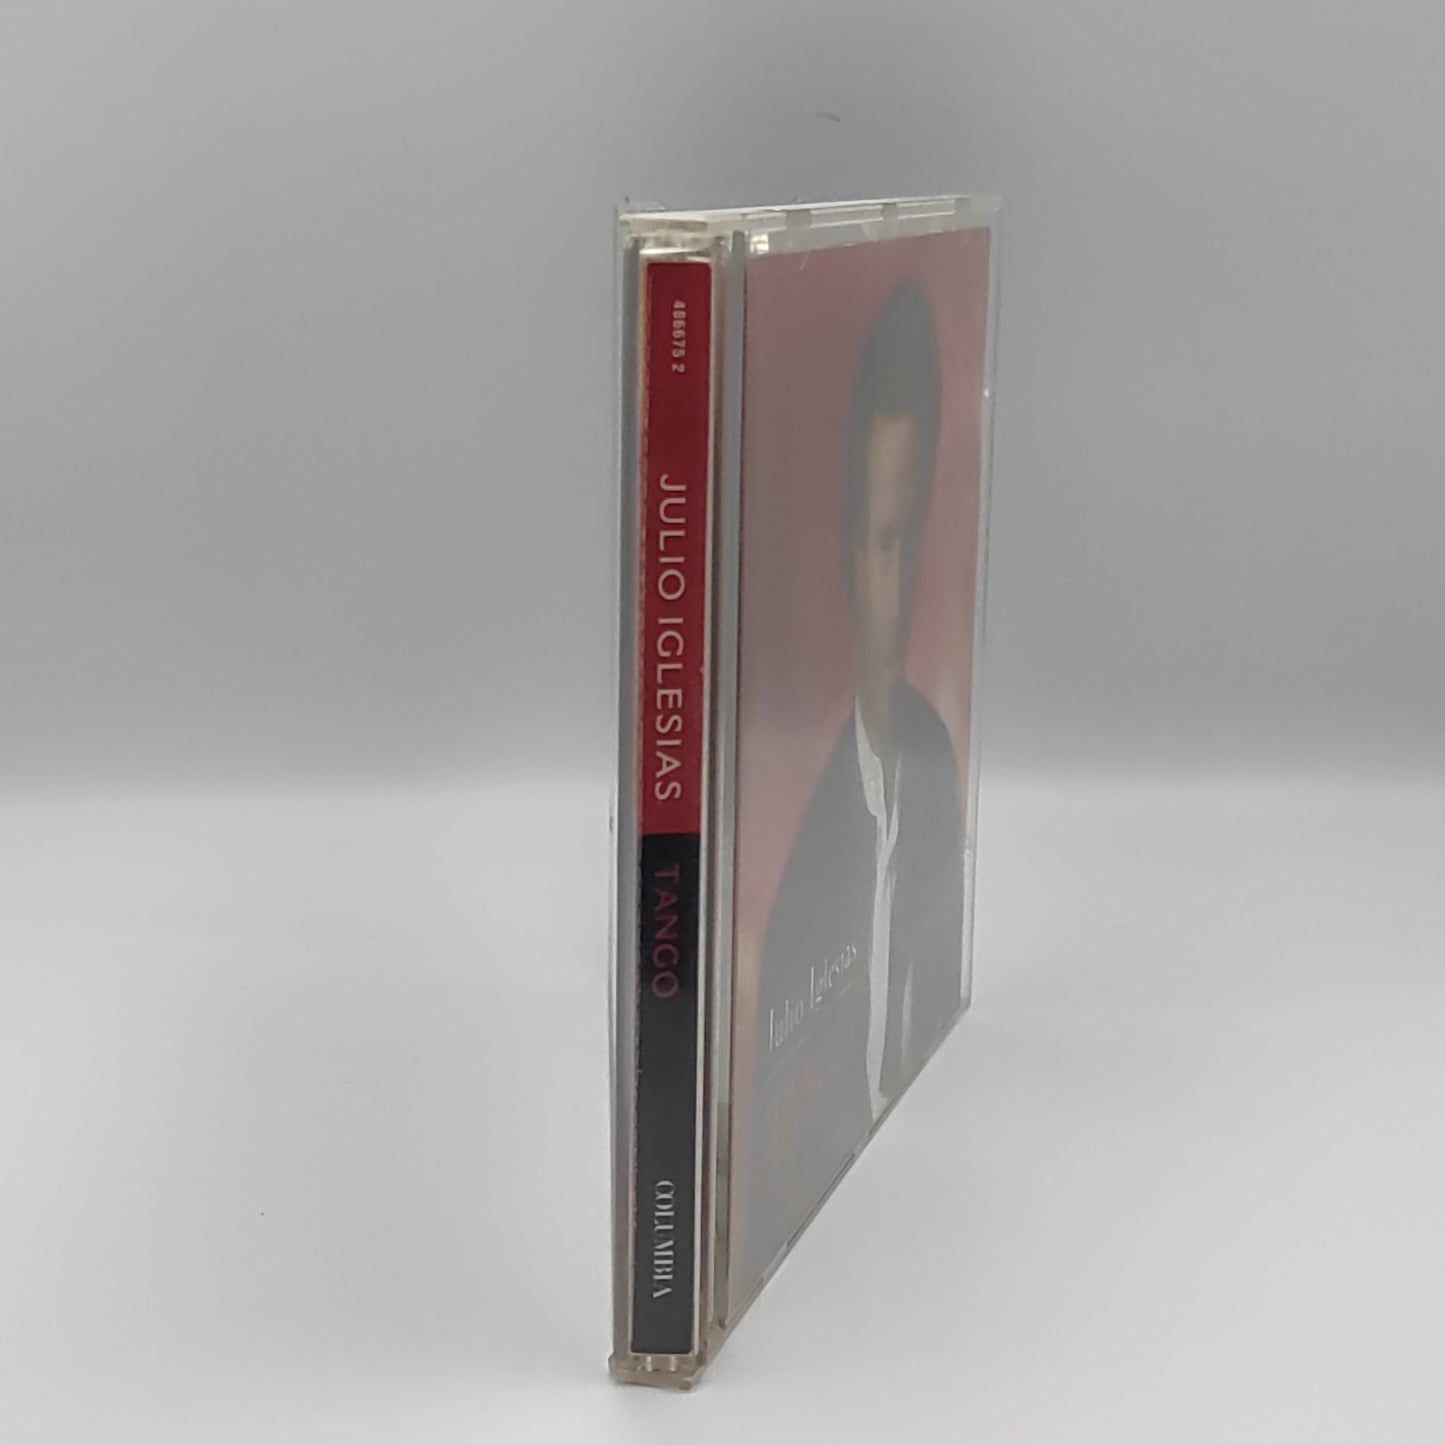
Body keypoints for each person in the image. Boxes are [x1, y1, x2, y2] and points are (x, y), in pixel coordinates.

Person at [748, 278, 965, 1266]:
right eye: (879, 543)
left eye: (909, 541)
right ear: (845, 556)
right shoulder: (803, 883)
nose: (896, 583)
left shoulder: (936, 764)